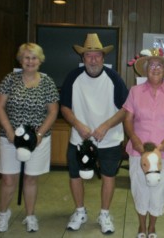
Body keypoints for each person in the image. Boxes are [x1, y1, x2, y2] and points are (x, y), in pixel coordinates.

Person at [60, 33, 128, 234]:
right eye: (88, 56)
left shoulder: (114, 78)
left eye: (97, 55)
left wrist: (106, 125)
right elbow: (64, 107)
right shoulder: (74, 77)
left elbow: (126, 108)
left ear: (103, 57)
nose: (93, 60)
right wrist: (78, 125)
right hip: (79, 137)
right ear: (83, 58)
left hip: (109, 138)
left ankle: (105, 214)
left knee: (108, 176)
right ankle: (80, 211)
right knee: (75, 175)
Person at [0, 43, 59, 232]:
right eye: (26, 57)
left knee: (31, 179)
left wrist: (39, 134)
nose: (30, 61)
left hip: (39, 140)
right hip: (9, 138)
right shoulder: (10, 79)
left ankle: (30, 216)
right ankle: (3, 214)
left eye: (34, 57)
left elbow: (53, 111)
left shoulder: (47, 82)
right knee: (8, 179)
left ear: (40, 60)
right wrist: (9, 131)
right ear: (20, 60)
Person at [123, 48, 164, 238]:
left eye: (160, 65)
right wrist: (134, 139)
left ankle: (152, 227)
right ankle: (141, 226)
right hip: (139, 151)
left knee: (159, 190)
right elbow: (128, 119)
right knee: (140, 188)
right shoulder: (135, 91)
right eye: (152, 65)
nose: (156, 68)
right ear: (146, 68)